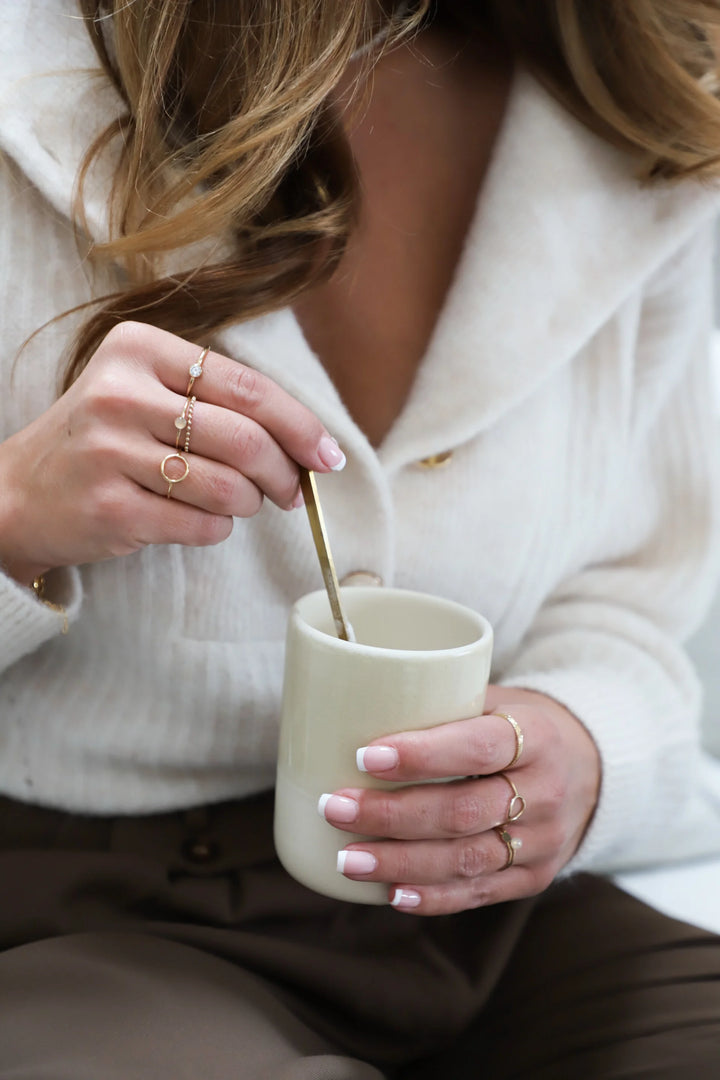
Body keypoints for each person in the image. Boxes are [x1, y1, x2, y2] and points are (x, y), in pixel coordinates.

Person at [1, 0, 720, 1075]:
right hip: (86, 919)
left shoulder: (644, 113)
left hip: (486, 920)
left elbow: (630, 597)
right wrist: (15, 514)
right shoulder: (33, 72)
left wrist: (584, 749)